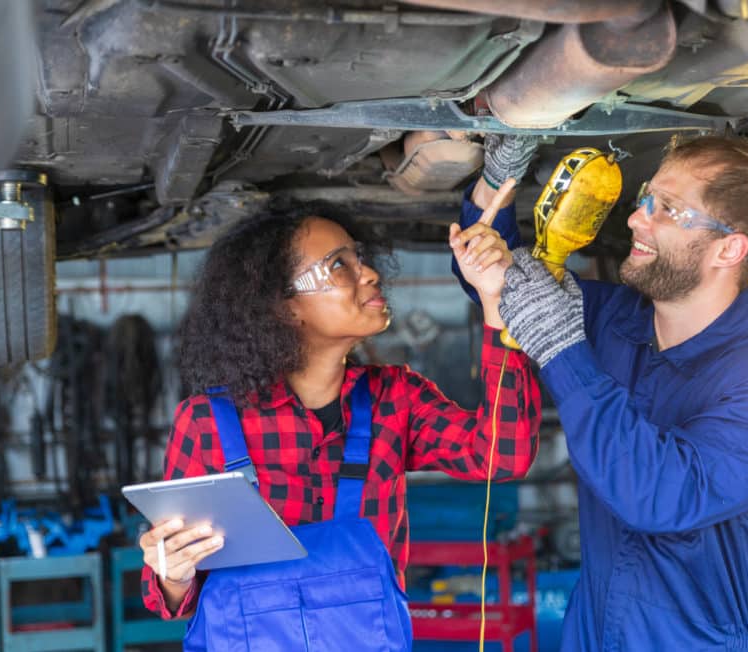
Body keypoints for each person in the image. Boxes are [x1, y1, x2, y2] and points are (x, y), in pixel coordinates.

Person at [451, 134, 748, 650]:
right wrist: (499, 176)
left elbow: (655, 495)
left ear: (729, 248)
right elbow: (498, 280)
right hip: (594, 631)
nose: (635, 218)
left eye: (667, 209)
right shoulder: (617, 319)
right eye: (647, 198)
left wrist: (561, 346)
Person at [137, 201, 540, 649]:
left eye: (360, 259)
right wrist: (173, 571)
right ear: (285, 308)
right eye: (339, 266)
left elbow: (504, 456)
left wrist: (495, 300)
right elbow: (168, 600)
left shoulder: (396, 399)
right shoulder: (207, 423)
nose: (369, 274)